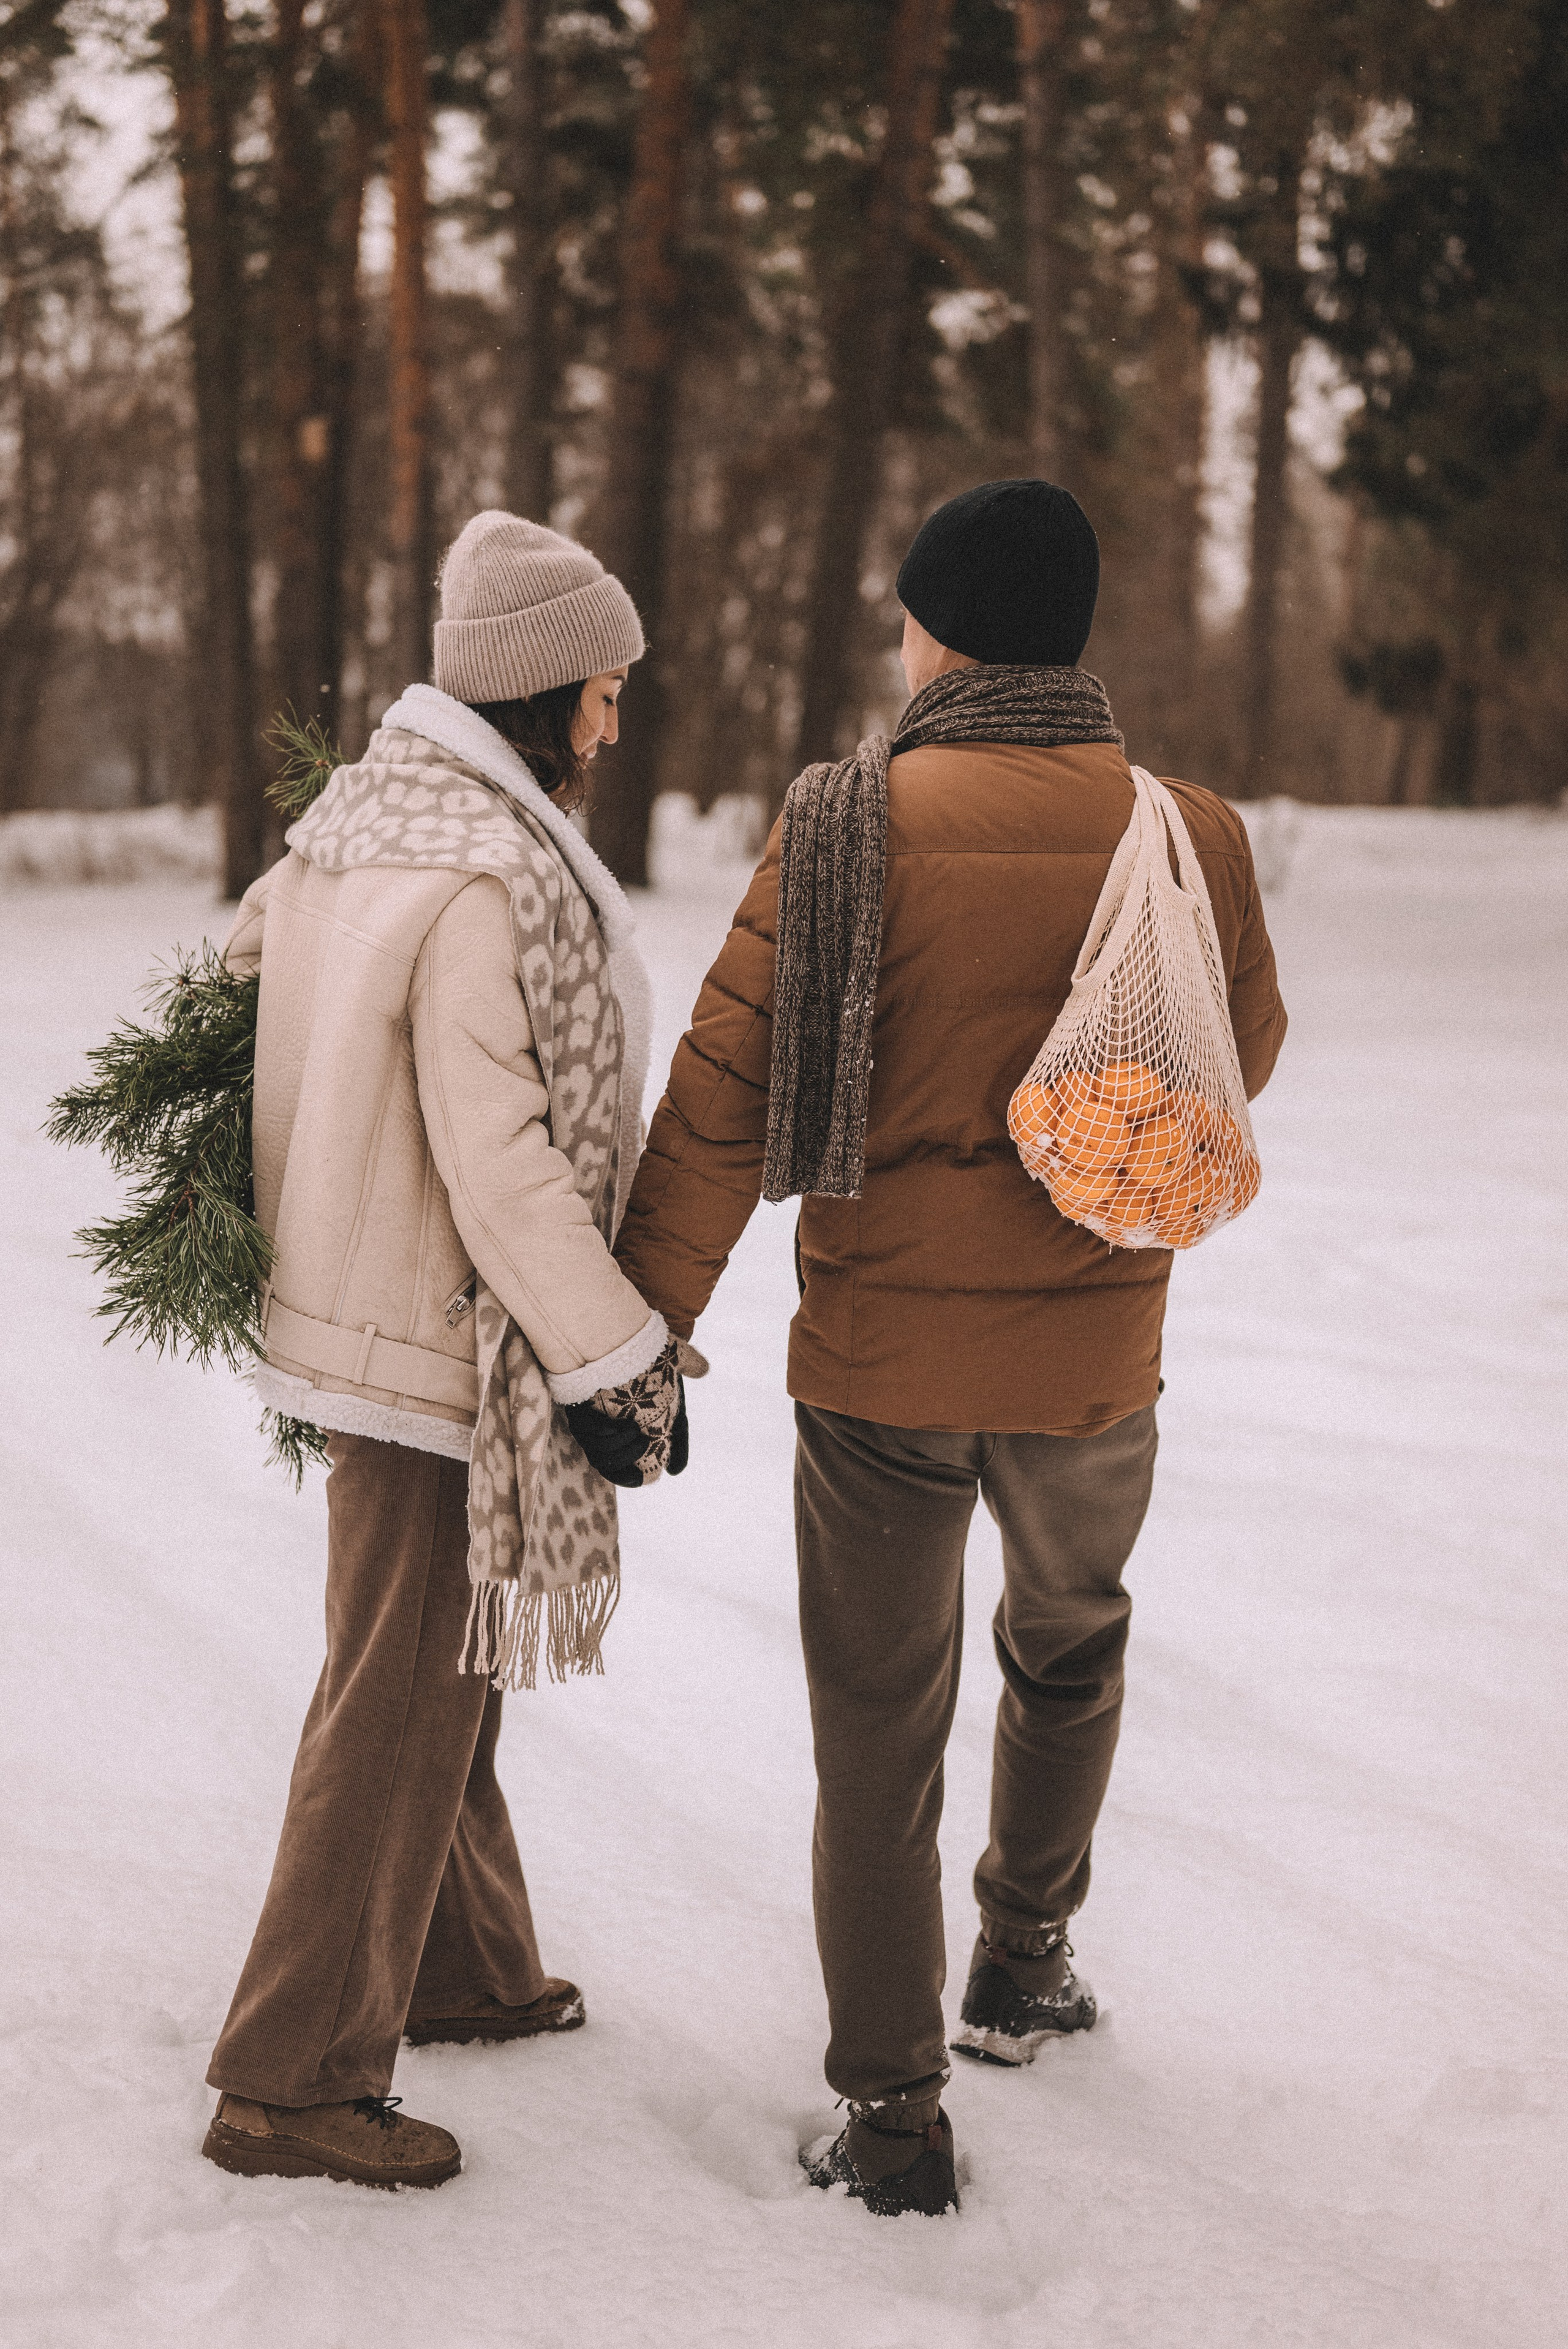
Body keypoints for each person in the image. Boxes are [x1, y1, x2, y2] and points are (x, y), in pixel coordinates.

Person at [613, 479, 1287, 2217]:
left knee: (876, 1727)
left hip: (879, 1373)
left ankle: (895, 2107)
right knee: (1068, 1651)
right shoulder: (1189, 832)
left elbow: (719, 1097)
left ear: (939, 628)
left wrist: (639, 1325)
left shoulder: (844, 822)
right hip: (1090, 1361)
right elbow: (1241, 1055)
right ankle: (1024, 1955)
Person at [203, 510, 685, 2191]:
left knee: (435, 1663)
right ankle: (292, 2076)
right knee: (398, 1692)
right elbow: (506, 1167)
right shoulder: (483, 871)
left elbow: (241, 971)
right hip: (434, 1333)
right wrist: (620, 1355)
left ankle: (465, 1965)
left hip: (365, 1306)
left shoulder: (360, 822)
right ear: (548, 690)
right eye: (607, 692)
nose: (616, 725)